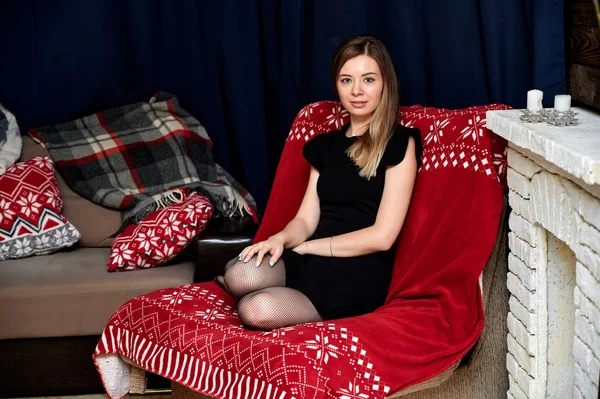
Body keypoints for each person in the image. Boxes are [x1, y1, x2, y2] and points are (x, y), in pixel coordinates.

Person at [215, 35, 422, 330]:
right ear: (336, 85)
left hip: (356, 271)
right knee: (240, 275)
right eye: (346, 80)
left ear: (385, 83)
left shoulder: (400, 142)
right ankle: (247, 282)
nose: (357, 91)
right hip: (309, 255)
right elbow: (305, 220)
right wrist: (280, 240)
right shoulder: (324, 146)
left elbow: (383, 236)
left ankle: (270, 296)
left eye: (368, 79)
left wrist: (313, 247)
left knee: (254, 309)